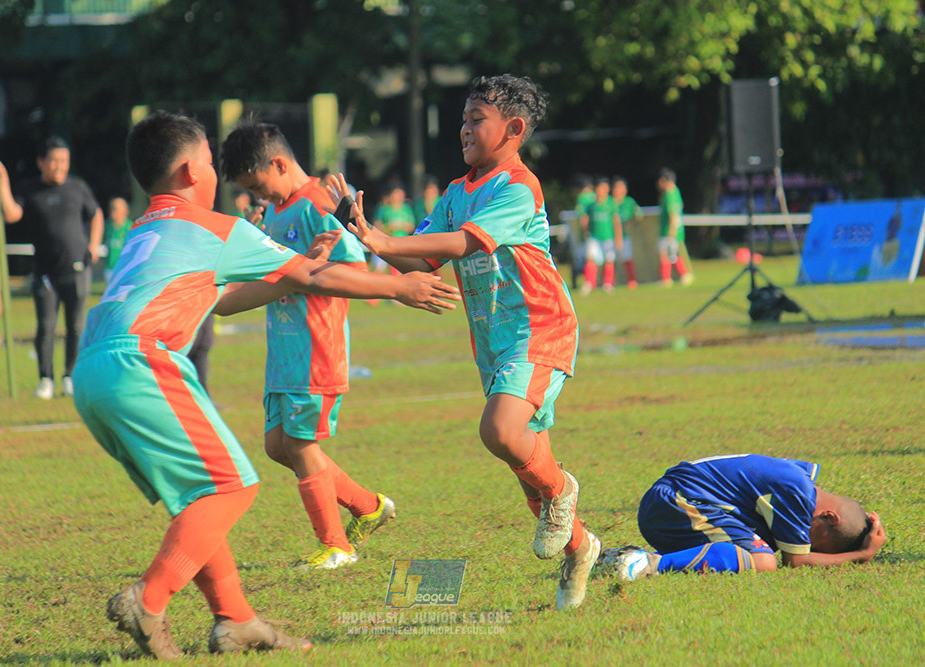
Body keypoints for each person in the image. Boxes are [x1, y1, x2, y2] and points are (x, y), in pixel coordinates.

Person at [72, 110, 458, 659]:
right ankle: (150, 598)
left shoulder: (147, 230)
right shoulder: (213, 228)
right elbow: (313, 277)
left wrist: (299, 269)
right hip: (142, 362)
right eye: (208, 161)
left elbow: (231, 298)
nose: (215, 174)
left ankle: (235, 619)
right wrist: (398, 287)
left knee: (199, 497)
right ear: (188, 171)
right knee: (233, 486)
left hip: (92, 371)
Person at [327, 74, 601, 612]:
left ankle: (564, 491)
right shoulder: (458, 192)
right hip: (495, 342)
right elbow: (423, 259)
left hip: (540, 328)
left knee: (500, 430)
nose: (464, 129)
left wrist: (383, 238)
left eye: (478, 119)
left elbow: (464, 242)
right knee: (527, 471)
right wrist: (366, 234)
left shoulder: (518, 187)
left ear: (514, 129)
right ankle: (581, 547)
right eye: (463, 119)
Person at [221, 121, 396, 570]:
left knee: (299, 444)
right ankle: (368, 506)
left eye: (260, 186)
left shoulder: (319, 204)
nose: (262, 197)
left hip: (316, 348)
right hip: (283, 350)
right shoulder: (277, 210)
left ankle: (336, 544)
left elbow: (353, 270)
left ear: (280, 163)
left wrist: (312, 265)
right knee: (278, 445)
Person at [602, 454, 887, 580]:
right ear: (829, 517)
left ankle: (623, 557)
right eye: (816, 543)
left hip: (673, 503)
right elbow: (796, 562)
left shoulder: (800, 475)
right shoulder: (797, 492)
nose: (805, 543)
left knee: (758, 548)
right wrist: (860, 555)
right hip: (678, 502)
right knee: (763, 561)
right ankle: (647, 564)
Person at [0, 137, 104, 400]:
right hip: (45, 271)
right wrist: (3, 180)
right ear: (41, 162)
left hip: (76, 268)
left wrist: (94, 245)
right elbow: (10, 214)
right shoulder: (30, 190)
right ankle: (45, 378)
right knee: (46, 325)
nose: (59, 166)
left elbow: (96, 214)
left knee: (75, 326)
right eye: (54, 161)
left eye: (63, 161)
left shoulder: (77, 187)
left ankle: (70, 376)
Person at [580, 176, 622, 295]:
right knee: (591, 258)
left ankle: (608, 283)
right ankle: (589, 282)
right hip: (594, 236)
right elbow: (585, 219)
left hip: (608, 237)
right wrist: (585, 231)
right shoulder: (591, 205)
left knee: (609, 259)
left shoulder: (611, 203)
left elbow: (616, 221)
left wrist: (618, 239)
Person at [657, 167, 693, 287]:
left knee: (665, 255)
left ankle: (668, 279)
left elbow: (673, 214)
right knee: (672, 255)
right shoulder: (676, 191)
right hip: (675, 230)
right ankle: (684, 275)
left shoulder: (669, 194)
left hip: (669, 230)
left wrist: (671, 230)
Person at [611, 176, 640, 289]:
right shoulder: (610, 202)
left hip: (624, 236)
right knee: (611, 259)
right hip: (610, 236)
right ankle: (610, 282)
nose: (617, 190)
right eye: (615, 187)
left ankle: (632, 280)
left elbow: (638, 215)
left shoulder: (629, 202)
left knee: (627, 258)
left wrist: (630, 223)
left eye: (619, 187)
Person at [104, 197, 133, 284]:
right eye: (111, 209)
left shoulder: (131, 228)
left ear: (125, 211)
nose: (113, 212)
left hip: (125, 268)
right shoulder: (108, 227)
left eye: (115, 209)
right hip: (110, 268)